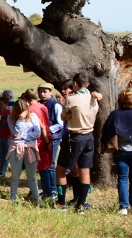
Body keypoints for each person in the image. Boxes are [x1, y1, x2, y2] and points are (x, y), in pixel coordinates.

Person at [57, 72, 99, 213]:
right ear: (87, 84)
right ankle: (80, 204)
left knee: (61, 170)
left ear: (75, 84)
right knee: (85, 172)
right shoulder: (94, 99)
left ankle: (61, 203)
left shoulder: (72, 99)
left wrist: (66, 115)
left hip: (74, 137)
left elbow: (64, 116)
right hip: (89, 137)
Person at [6, 98, 43, 205]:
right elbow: (16, 133)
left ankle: (36, 199)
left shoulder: (34, 117)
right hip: (16, 148)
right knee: (15, 176)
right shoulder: (11, 118)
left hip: (30, 147)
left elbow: (37, 133)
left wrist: (24, 136)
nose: (24, 112)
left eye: (25, 110)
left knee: (32, 176)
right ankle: (12, 198)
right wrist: (20, 120)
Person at [24, 88, 52, 201]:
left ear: (26, 99)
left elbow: (40, 126)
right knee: (46, 167)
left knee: (38, 168)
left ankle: (46, 192)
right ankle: (48, 190)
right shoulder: (43, 106)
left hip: (38, 140)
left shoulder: (30, 110)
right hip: (47, 137)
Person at [38, 83, 64, 199]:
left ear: (51, 92)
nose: (42, 94)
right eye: (40, 91)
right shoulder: (39, 104)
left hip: (53, 138)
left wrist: (47, 130)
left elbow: (60, 123)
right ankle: (46, 190)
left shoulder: (56, 105)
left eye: (45, 91)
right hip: (42, 138)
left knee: (51, 164)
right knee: (43, 164)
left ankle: (53, 190)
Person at [0, 95, 12, 178]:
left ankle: (7, 171)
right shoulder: (0, 113)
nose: (0, 106)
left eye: (1, 104)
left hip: (8, 137)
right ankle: (2, 171)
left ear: (6, 104)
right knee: (2, 155)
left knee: (8, 155)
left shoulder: (10, 113)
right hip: (1, 136)